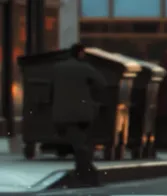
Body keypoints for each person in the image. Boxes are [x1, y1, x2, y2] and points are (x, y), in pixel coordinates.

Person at [52, 43, 107, 187]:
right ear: (81, 54)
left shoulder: (58, 68)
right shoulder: (85, 68)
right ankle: (88, 173)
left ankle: (82, 172)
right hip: (82, 113)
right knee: (81, 143)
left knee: (76, 141)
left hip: (61, 113)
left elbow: (51, 89)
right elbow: (102, 83)